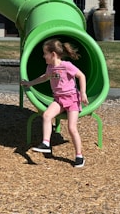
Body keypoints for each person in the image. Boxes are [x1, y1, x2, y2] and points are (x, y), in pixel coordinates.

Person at [21, 38, 88, 167]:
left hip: (72, 99)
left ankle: (79, 156)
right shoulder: (50, 67)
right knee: (46, 115)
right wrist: (30, 83)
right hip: (59, 99)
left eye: (45, 53)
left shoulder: (66, 66)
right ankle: (46, 143)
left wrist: (83, 93)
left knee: (72, 128)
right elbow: (45, 77)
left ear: (53, 54)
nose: (43, 56)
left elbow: (81, 76)